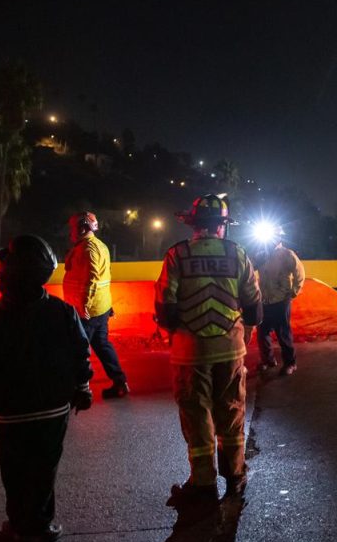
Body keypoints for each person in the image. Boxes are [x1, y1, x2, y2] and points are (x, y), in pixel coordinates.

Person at [0, 234, 94, 542]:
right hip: (53, 410)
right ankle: (40, 524)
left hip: (10, 412)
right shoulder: (63, 312)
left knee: (14, 470)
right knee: (44, 468)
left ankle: (19, 524)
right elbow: (81, 353)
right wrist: (83, 388)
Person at [155, 194, 262, 507]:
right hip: (230, 350)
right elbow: (254, 307)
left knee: (197, 414)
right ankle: (236, 476)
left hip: (190, 353)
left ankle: (202, 483)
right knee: (231, 410)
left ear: (194, 223)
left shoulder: (177, 255)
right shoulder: (237, 253)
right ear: (222, 226)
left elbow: (165, 308)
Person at [63, 211, 130, 399]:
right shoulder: (99, 246)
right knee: (102, 345)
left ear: (83, 228)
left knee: (77, 349)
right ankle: (120, 382)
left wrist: (83, 306)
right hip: (100, 307)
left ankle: (79, 389)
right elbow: (105, 276)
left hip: (87, 311)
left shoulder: (88, 249)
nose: (70, 232)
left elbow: (91, 280)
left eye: (73, 228)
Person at [257, 230, 305, 375]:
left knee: (283, 333)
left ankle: (290, 363)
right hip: (264, 300)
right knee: (262, 332)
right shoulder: (261, 254)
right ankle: (268, 360)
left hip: (281, 300)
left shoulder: (287, 254)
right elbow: (250, 267)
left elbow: (300, 273)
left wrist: (294, 292)